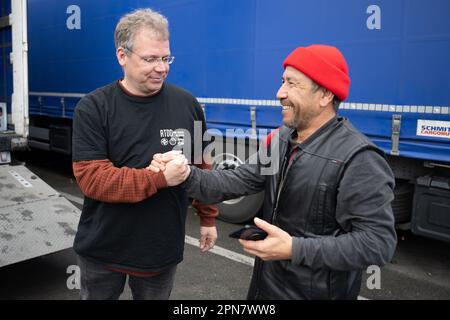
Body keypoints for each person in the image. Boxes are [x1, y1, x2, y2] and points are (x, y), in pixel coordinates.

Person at [150, 44, 397, 299]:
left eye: (292, 84)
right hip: (265, 290)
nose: (280, 93)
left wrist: (295, 248)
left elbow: (377, 243)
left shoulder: (359, 158)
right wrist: (184, 173)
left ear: (324, 94)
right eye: (282, 82)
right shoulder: (282, 138)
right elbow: (235, 181)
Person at [71, 8, 218, 300]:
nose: (162, 67)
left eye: (166, 58)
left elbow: (204, 166)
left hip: (159, 251)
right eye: (150, 59)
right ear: (122, 56)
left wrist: (208, 218)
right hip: (102, 250)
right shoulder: (93, 108)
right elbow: (93, 179)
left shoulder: (188, 105)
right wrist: (159, 178)